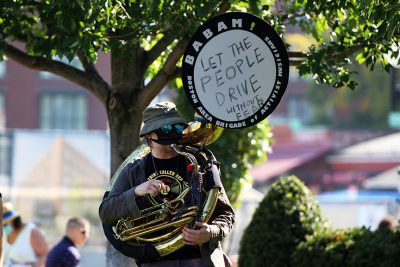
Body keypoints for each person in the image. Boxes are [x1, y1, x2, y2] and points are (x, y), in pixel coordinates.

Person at [99, 101, 235, 267]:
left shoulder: (199, 164)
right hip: (155, 261)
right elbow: (106, 212)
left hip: (200, 260)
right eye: (166, 129)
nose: (173, 133)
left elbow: (227, 214)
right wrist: (136, 192)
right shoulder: (133, 170)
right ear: (149, 135)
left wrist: (211, 232)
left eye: (177, 128)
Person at [2, 201, 49, 267]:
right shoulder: (6, 232)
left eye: (6, 223)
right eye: (3, 224)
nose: (5, 226)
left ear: (14, 220)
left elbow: (45, 254)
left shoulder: (31, 231)